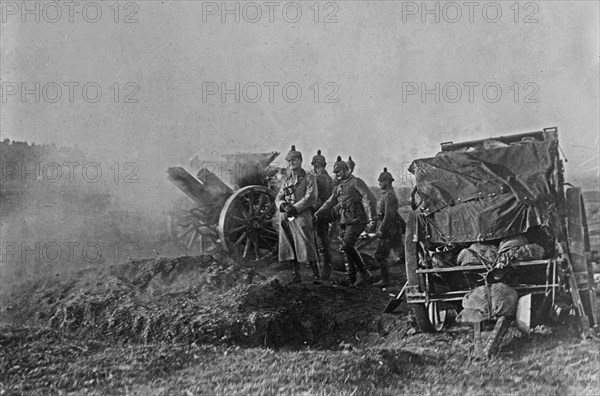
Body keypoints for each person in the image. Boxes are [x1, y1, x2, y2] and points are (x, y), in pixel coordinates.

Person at [315, 156, 377, 286]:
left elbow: (370, 198)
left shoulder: (356, 182)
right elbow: (330, 202)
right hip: (345, 221)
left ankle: (364, 273)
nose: (337, 175)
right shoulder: (339, 187)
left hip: (357, 220)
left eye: (339, 172)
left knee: (347, 245)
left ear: (346, 170)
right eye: (335, 173)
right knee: (346, 248)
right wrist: (318, 212)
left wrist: (372, 218)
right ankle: (351, 277)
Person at [275, 145, 319, 284]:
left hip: (301, 214)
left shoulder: (309, 177)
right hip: (287, 215)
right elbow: (278, 197)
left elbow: (311, 196)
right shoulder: (287, 180)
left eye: (294, 160)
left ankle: (317, 275)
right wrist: (283, 205)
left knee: (307, 242)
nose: (291, 163)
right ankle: (296, 276)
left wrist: (294, 208)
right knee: (289, 244)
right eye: (289, 161)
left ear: (300, 161)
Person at [372, 168, 405, 288]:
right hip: (391, 229)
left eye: (380, 181)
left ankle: (386, 280)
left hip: (388, 231)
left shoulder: (389, 196)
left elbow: (389, 215)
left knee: (380, 255)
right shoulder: (387, 195)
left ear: (386, 181)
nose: (379, 183)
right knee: (401, 254)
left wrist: (381, 230)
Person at [311, 150, 335, 283]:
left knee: (321, 243)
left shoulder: (318, 178)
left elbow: (317, 198)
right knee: (324, 242)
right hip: (326, 213)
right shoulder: (330, 179)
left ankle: (324, 275)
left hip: (319, 212)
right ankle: (326, 273)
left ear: (316, 165)